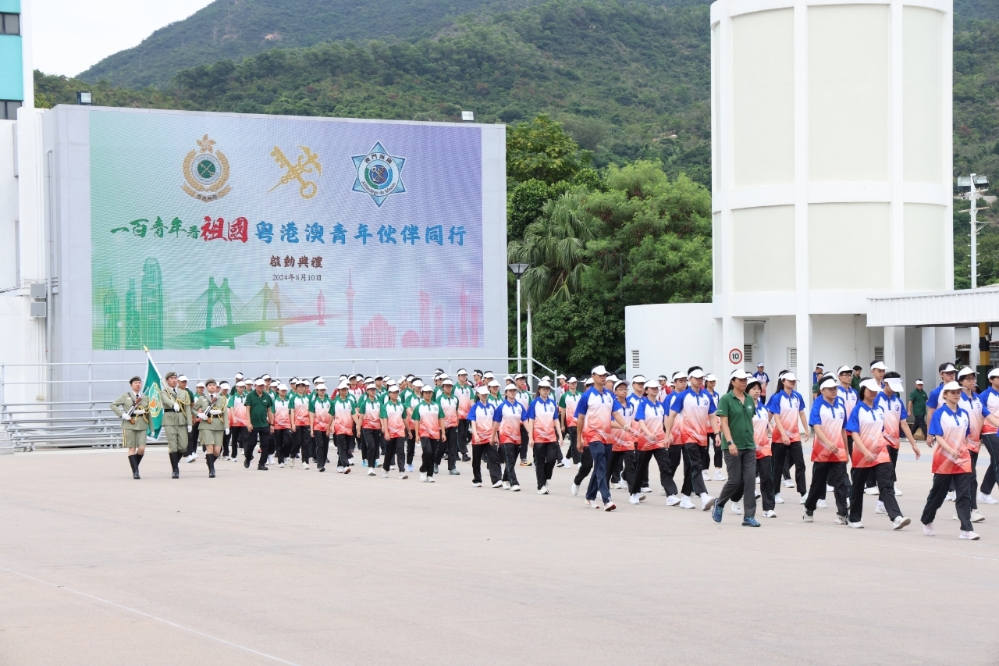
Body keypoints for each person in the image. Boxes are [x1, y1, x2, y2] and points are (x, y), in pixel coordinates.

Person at [844, 379, 910, 530]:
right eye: (870, 390)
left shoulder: (879, 409)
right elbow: (854, 434)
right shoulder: (857, 410)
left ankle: (896, 517)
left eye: (875, 390)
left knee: (887, 484)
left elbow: (881, 431)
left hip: (881, 453)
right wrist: (865, 451)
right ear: (863, 391)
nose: (873, 392)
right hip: (862, 454)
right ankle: (854, 518)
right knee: (858, 487)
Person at [921, 381, 979, 539]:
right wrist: (950, 450)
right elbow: (937, 435)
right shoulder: (939, 414)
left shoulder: (964, 414)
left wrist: (964, 448)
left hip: (963, 459)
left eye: (958, 392)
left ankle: (966, 529)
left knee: (964, 494)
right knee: (938, 495)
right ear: (945, 395)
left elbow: (965, 435)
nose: (956, 394)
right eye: (952, 392)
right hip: (944, 459)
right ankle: (927, 519)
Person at [576, 365, 629, 512]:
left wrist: (625, 426)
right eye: (600, 375)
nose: (603, 377)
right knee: (600, 465)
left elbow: (616, 413)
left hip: (607, 436)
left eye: (605, 375)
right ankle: (607, 499)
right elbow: (580, 419)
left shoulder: (610, 395)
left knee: (600, 466)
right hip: (592, 435)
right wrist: (579, 439)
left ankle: (589, 496)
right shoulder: (586, 396)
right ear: (593, 376)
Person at [663, 368, 717, 511]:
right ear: (690, 379)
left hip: (702, 437)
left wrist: (717, 434)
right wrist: (667, 434)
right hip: (687, 437)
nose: (700, 380)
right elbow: (671, 416)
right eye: (697, 378)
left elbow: (712, 416)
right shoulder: (683, 396)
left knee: (691, 468)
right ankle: (704, 495)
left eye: (701, 378)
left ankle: (685, 497)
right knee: (696, 465)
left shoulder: (707, 396)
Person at [712, 370, 760, 526]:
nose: (744, 382)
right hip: (733, 446)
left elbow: (749, 420)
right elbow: (724, 423)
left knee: (750, 480)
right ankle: (719, 503)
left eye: (745, 380)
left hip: (749, 445)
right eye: (740, 380)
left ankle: (749, 516)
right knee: (734, 480)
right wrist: (731, 443)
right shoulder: (726, 399)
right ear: (733, 381)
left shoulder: (749, 399)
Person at [802, 376, 849, 525]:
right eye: (830, 389)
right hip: (821, 452)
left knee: (841, 483)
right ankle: (809, 509)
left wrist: (846, 452)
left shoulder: (841, 404)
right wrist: (828, 443)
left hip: (839, 452)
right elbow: (816, 428)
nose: (834, 391)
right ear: (822, 390)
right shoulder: (818, 405)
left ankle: (842, 514)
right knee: (818, 484)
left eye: (835, 388)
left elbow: (843, 430)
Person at [956, 366, 999, 523]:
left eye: (973, 378)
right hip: (961, 444)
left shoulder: (976, 399)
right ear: (960, 381)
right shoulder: (957, 399)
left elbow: (988, 416)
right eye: (968, 378)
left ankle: (962, 507)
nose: (972, 381)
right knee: (970, 477)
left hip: (974, 443)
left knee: (965, 477)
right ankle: (972, 509)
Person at [873, 374, 921, 505]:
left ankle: (882, 501)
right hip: (881, 441)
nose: (894, 390)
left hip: (895, 442)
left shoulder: (898, 402)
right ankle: (883, 502)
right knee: (887, 472)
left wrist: (913, 444)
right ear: (885, 383)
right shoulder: (876, 399)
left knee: (890, 471)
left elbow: (904, 424)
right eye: (892, 386)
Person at [766, 372, 809, 505]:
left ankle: (803, 493)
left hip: (795, 436)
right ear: (783, 381)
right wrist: (782, 433)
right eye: (789, 380)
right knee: (777, 466)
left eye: (794, 380)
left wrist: (806, 429)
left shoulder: (798, 396)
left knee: (800, 463)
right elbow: (775, 416)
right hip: (779, 437)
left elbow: (801, 413)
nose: (792, 382)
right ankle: (775, 492)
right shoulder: (777, 397)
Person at [633, 382, 678, 504]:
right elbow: (641, 421)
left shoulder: (661, 405)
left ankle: (671, 495)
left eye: (656, 388)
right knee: (641, 468)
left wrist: (669, 433)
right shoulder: (642, 404)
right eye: (651, 388)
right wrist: (648, 433)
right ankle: (635, 492)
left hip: (659, 441)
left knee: (665, 466)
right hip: (645, 441)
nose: (654, 390)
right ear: (646, 390)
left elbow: (665, 421)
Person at [606, 379, 642, 504]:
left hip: (628, 441)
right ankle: (603, 490)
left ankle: (634, 493)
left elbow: (633, 421)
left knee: (631, 466)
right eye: (620, 389)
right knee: (609, 467)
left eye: (625, 389)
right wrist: (624, 427)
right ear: (615, 392)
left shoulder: (631, 405)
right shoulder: (612, 405)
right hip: (613, 440)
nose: (624, 391)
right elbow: (608, 423)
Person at [526, 379, 562, 494]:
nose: (545, 391)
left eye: (547, 389)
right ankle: (540, 485)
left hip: (551, 436)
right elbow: (530, 420)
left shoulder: (552, 403)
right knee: (539, 462)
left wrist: (560, 436)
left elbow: (556, 419)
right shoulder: (534, 403)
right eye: (543, 389)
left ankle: (545, 478)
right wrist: (530, 437)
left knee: (552, 459)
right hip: (538, 437)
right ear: (539, 390)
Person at [110, 376, 150, 480]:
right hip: (130, 424)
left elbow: (149, 409)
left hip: (142, 424)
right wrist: (122, 414)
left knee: (141, 449)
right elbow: (113, 405)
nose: (138, 384)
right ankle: (135, 471)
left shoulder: (145, 397)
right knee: (132, 448)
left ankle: (135, 466)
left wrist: (144, 412)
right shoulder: (126, 396)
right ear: (131, 385)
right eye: (136, 383)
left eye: (139, 383)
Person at [493, 384, 527, 490]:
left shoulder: (519, 406)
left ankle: (505, 479)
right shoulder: (501, 407)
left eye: (514, 391)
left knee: (511, 460)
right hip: (505, 437)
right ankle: (514, 483)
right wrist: (493, 435)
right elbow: (496, 422)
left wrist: (530, 432)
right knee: (509, 460)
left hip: (517, 437)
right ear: (506, 393)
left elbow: (525, 420)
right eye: (510, 391)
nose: (513, 392)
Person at [468, 386, 501, 488]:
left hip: (490, 437)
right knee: (476, 460)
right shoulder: (475, 407)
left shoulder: (491, 407)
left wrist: (495, 436)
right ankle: (477, 479)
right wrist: (475, 435)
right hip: (478, 437)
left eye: (486, 394)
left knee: (494, 457)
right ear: (478, 395)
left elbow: (494, 423)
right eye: (483, 394)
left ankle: (496, 480)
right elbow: (473, 422)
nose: (485, 396)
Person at [160, 371, 192, 479]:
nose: (174, 380)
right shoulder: (164, 391)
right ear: (167, 381)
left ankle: (175, 463)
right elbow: (165, 399)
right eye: (171, 378)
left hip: (181, 420)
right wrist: (173, 404)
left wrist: (189, 423)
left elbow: (187, 408)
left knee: (183, 447)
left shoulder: (184, 393)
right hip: (170, 420)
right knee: (173, 446)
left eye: (175, 378)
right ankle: (175, 469)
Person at [194, 379, 227, 478]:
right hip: (206, 425)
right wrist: (199, 414)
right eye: (210, 385)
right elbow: (193, 410)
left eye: (214, 385)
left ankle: (210, 462)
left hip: (218, 425)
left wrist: (227, 426)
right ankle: (212, 470)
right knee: (209, 447)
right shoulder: (202, 398)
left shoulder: (221, 398)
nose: (212, 387)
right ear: (207, 387)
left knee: (217, 450)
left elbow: (225, 413)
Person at [413, 384, 446, 483]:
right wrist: (417, 435)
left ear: (432, 394)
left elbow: (441, 419)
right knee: (428, 451)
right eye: (426, 393)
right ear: (422, 394)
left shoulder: (437, 406)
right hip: (424, 432)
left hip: (435, 433)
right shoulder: (419, 406)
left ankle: (430, 474)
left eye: (429, 393)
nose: (428, 394)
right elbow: (417, 421)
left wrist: (443, 433)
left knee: (433, 454)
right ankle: (423, 470)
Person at [978, 368, 999, 505]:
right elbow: (978, 415)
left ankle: (984, 493)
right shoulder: (985, 395)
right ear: (991, 379)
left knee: (995, 462)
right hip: (989, 431)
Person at [379, 384, 408, 480]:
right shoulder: (385, 406)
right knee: (389, 452)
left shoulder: (401, 405)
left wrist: (409, 431)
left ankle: (402, 471)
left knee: (400, 451)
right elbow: (384, 419)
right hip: (390, 432)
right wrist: (386, 432)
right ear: (389, 394)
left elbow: (404, 419)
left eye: (397, 392)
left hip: (400, 431)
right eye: (393, 393)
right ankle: (385, 469)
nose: (395, 394)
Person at [244, 378, 274, 471]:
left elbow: (269, 410)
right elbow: (248, 409)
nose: (261, 387)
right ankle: (248, 457)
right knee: (251, 444)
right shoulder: (250, 396)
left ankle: (262, 463)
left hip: (264, 424)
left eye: (262, 385)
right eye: (259, 385)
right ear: (255, 386)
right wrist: (248, 423)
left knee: (265, 444)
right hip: (253, 424)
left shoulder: (267, 396)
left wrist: (271, 424)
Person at [331, 382, 357, 474]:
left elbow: (353, 413)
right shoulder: (335, 402)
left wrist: (357, 424)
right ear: (339, 391)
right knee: (342, 446)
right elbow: (331, 415)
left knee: (345, 448)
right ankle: (346, 465)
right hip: (339, 428)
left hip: (349, 428)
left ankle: (339, 465)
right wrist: (330, 426)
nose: (344, 391)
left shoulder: (350, 401)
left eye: (346, 389)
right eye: (342, 389)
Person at [437, 378, 461, 475]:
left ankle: (452, 467)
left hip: (453, 425)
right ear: (443, 387)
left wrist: (457, 421)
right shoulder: (440, 399)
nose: (448, 388)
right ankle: (435, 462)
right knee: (441, 447)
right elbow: (438, 413)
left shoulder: (455, 399)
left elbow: (456, 410)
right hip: (443, 426)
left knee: (453, 447)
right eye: (446, 386)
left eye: (450, 386)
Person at [359, 383, 384, 475]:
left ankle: (372, 465)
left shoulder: (379, 403)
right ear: (367, 391)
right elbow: (361, 417)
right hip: (367, 428)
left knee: (375, 446)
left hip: (377, 428)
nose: (373, 391)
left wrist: (383, 426)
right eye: (371, 390)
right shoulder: (364, 403)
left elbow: (381, 416)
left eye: (374, 390)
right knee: (371, 445)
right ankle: (370, 467)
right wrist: (358, 429)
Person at [309, 382, 332, 472]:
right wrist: (311, 429)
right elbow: (311, 416)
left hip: (327, 427)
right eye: (320, 390)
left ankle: (323, 461)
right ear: (317, 391)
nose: (322, 391)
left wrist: (331, 426)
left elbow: (332, 415)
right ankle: (320, 464)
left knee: (325, 445)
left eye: (323, 390)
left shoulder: (330, 402)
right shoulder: (313, 402)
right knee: (320, 444)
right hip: (317, 427)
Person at [290, 379, 313, 469]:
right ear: (296, 388)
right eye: (299, 386)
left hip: (306, 423)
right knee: (297, 442)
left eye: (302, 387)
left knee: (306, 443)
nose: (301, 388)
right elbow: (292, 411)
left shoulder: (308, 398)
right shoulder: (293, 398)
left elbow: (311, 411)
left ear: (305, 388)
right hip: (297, 423)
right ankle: (292, 456)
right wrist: (292, 424)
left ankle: (305, 462)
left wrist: (311, 424)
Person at [559, 377, 582, 465]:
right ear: (568, 384)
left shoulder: (581, 395)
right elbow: (563, 411)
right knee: (575, 441)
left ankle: (567, 458)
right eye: (572, 383)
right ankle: (578, 462)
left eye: (575, 382)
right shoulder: (565, 396)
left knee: (577, 441)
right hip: (571, 422)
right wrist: (562, 424)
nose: (573, 384)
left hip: (581, 421)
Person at [270, 383, 293, 467]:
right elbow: (272, 413)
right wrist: (272, 424)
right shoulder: (274, 401)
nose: (284, 392)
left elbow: (291, 412)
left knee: (288, 442)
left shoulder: (288, 400)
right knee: (279, 443)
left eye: (285, 390)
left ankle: (286, 455)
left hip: (287, 425)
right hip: (277, 425)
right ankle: (280, 461)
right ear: (278, 391)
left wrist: (292, 423)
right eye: (282, 390)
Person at [226, 380, 249, 462]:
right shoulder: (233, 397)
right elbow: (231, 408)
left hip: (244, 421)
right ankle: (234, 455)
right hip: (235, 422)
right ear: (236, 388)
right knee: (234, 439)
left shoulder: (247, 396)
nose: (242, 388)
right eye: (240, 387)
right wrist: (233, 417)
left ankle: (247, 455)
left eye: (243, 387)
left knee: (246, 438)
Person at [455, 369, 474, 462]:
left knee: (465, 434)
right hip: (458, 415)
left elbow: (472, 400)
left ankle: (456, 451)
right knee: (461, 434)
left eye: (465, 375)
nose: (463, 377)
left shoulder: (468, 388)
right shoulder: (454, 388)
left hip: (467, 415)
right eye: (462, 375)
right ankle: (464, 453)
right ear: (458, 376)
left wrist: (473, 412)